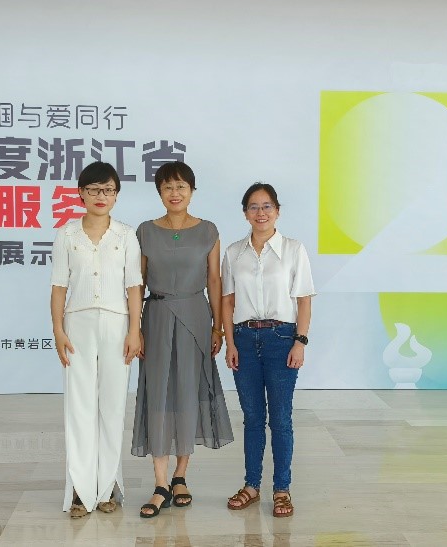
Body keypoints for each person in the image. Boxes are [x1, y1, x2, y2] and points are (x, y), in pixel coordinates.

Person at [132, 161, 234, 518]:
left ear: (192, 191)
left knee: (189, 393)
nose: (174, 193)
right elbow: (137, 283)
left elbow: (215, 281)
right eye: (167, 187)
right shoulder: (145, 231)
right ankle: (160, 483)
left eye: (181, 187)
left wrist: (218, 328)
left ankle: (180, 476)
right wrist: (135, 327)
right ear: (159, 192)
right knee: (158, 394)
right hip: (157, 317)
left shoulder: (208, 230)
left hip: (195, 315)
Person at [49, 161, 143, 518]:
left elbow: (134, 286)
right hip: (78, 325)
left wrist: (134, 330)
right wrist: (58, 330)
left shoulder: (126, 235)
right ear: (81, 193)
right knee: (79, 407)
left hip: (118, 326)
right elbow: (59, 286)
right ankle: (80, 490)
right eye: (93, 189)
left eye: (108, 190)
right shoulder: (67, 235)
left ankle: (106, 489)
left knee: (113, 407)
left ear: (116, 195)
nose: (101, 196)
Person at [221, 182, 314, 518]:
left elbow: (303, 300)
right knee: (252, 419)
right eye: (253, 207)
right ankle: (251, 485)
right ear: (245, 213)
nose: (260, 213)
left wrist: (300, 341)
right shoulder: (234, 253)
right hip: (244, 340)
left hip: (281, 338)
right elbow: (227, 301)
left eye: (266, 206)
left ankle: (282, 489)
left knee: (281, 419)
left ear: (277, 210)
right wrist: (230, 342)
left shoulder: (293, 249)